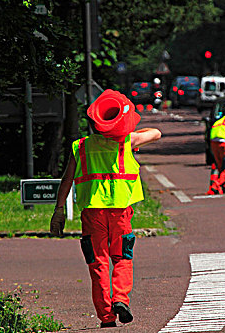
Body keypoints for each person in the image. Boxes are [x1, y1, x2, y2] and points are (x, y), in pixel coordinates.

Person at [50, 89, 161, 328]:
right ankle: (121, 298)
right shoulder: (127, 142)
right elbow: (156, 133)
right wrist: (127, 131)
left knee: (97, 263)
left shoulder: (80, 146)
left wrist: (59, 210)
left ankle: (107, 317)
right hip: (120, 213)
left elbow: (66, 180)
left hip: (92, 214)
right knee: (122, 257)